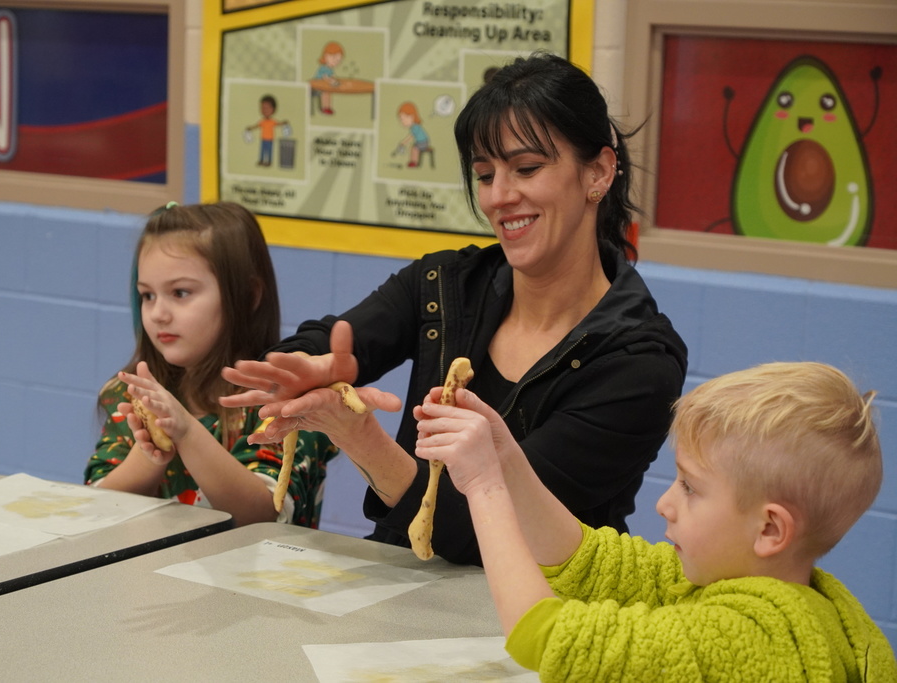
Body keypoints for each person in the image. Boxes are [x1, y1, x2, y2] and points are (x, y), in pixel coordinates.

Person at [222, 52, 688, 564]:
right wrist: (307, 367)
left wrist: (359, 437)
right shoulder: (445, 284)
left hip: (540, 615)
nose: (500, 197)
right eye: (485, 175)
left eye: (527, 168)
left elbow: (487, 533)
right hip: (405, 588)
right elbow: (328, 341)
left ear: (598, 171)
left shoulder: (638, 362)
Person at [414, 361, 896, 680]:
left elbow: (546, 635)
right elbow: (593, 562)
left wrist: (484, 486)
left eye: (690, 486)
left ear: (769, 529)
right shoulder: (760, 588)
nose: (665, 504)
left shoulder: (750, 639)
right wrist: (507, 461)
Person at [85, 201, 336, 527]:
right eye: (148, 295)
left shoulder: (291, 399)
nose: (158, 313)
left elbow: (262, 515)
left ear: (247, 295)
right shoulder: (130, 393)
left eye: (180, 292)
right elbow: (96, 509)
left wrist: (186, 432)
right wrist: (150, 455)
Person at [246, 95, 288, 167]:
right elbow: (256, 126)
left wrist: (283, 123)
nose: (265, 110)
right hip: (263, 138)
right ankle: (262, 160)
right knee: (262, 150)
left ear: (273, 109)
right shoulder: (262, 121)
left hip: (270, 139)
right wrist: (250, 128)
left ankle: (269, 161)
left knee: (269, 151)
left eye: (267, 108)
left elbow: (278, 124)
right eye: (262, 108)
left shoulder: (272, 121)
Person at [394, 101, 430, 167]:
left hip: (423, 142)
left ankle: (414, 162)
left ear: (411, 117)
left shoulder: (415, 127)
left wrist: (403, 142)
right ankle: (413, 161)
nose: (402, 122)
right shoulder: (414, 127)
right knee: (413, 148)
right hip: (421, 142)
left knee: (414, 149)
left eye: (403, 119)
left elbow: (410, 137)